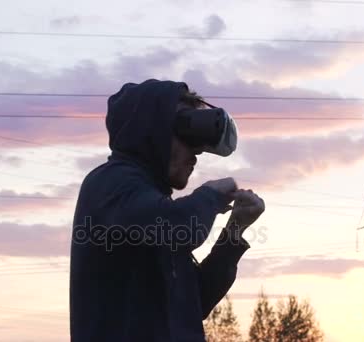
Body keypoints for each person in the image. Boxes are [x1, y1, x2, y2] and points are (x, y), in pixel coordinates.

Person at [70, 79, 265, 341]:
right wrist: (210, 195)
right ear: (152, 131)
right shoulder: (109, 184)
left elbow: (196, 302)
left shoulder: (153, 208)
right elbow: (180, 228)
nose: (196, 154)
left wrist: (234, 230)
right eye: (187, 136)